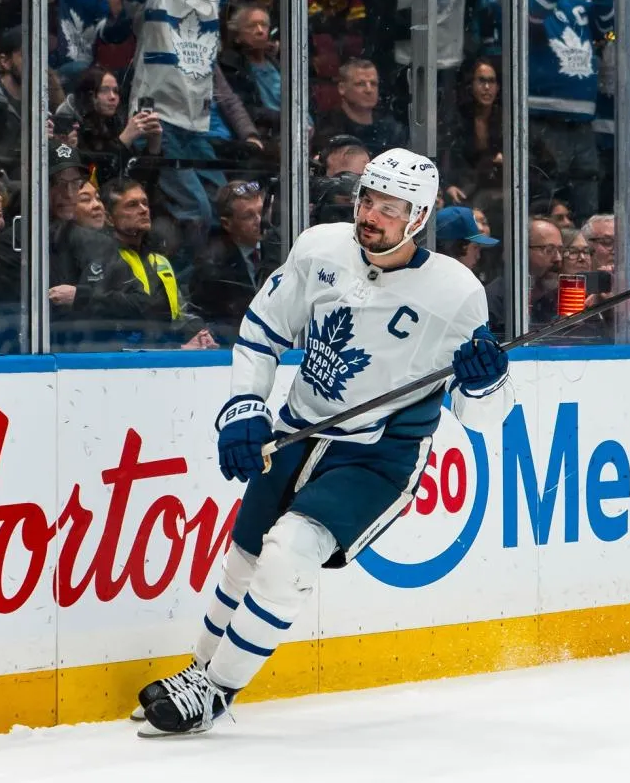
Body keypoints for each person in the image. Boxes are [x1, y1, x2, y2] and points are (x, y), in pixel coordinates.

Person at [132, 148, 517, 736]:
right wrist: (243, 406)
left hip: (377, 455)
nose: (372, 214)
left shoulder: (455, 292)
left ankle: (215, 691)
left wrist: (487, 379)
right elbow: (263, 331)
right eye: (367, 198)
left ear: (419, 216)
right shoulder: (319, 248)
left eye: (391, 207)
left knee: (289, 552)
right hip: (296, 430)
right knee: (245, 559)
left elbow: (482, 415)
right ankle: (200, 672)